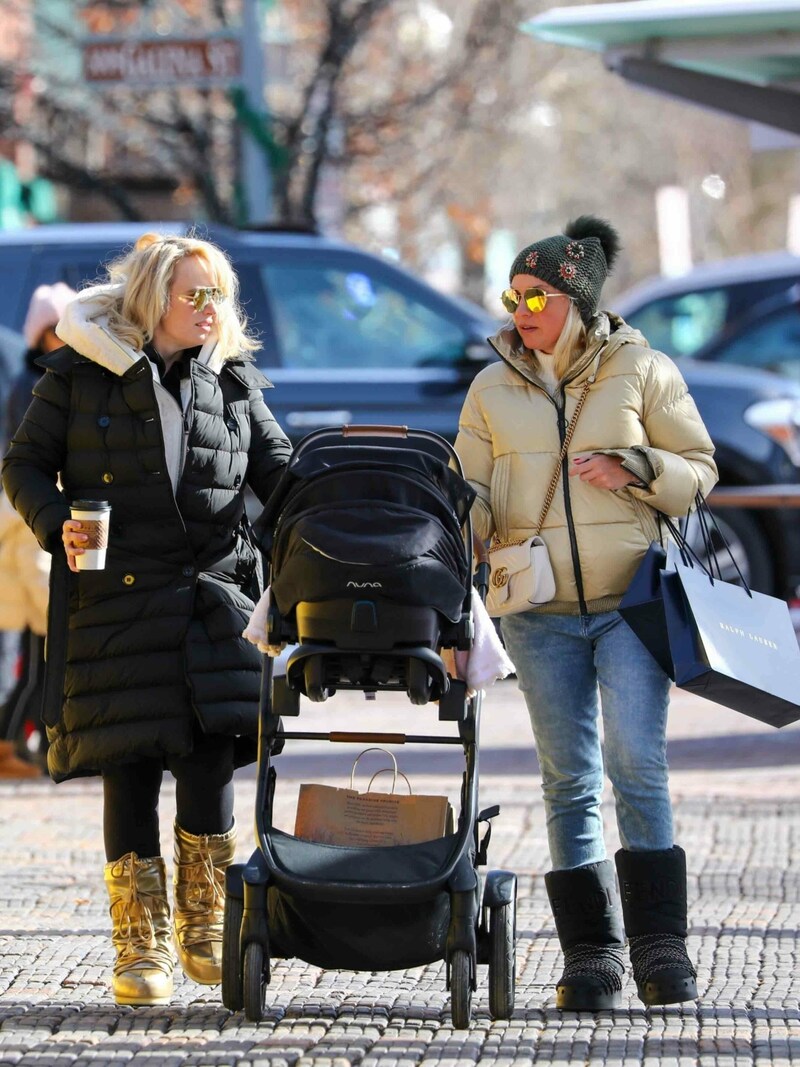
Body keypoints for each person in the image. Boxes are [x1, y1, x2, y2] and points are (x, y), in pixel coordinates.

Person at [2, 233, 292, 1006]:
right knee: (128, 770)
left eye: (217, 295)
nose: (209, 308)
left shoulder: (232, 379)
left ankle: (204, 930)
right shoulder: (80, 371)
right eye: (194, 293)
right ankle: (139, 948)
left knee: (206, 766)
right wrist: (55, 518)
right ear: (153, 298)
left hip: (214, 599)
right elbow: (22, 463)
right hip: (116, 600)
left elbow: (281, 475)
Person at [454, 215, 718, 1011]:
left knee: (635, 763)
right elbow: (463, 491)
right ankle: (592, 958)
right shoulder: (490, 384)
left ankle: (661, 947)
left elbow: (699, 467)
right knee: (568, 780)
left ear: (575, 300)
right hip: (534, 610)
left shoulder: (640, 368)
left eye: (537, 294)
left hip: (629, 601)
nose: (521, 307)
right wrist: (437, 537)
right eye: (514, 292)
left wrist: (634, 465)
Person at [0, 284, 77, 779]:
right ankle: (12, 742)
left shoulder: (39, 380)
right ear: (45, 332)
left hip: (28, 523)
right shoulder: (40, 385)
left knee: (38, 648)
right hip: (32, 524)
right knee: (46, 644)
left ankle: (17, 742)